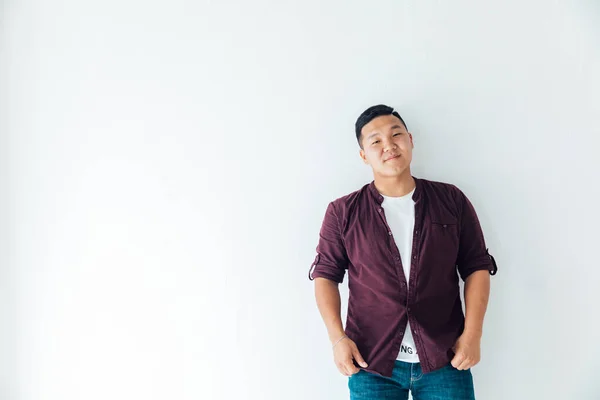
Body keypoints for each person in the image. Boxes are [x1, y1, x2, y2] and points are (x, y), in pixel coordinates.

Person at [308, 104, 498, 400]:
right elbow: (325, 276)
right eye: (376, 141)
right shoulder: (342, 212)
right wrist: (338, 340)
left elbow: (476, 267)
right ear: (363, 155)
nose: (388, 146)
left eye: (396, 135)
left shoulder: (451, 200)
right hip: (371, 362)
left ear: (410, 140)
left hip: (445, 357)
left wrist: (473, 334)